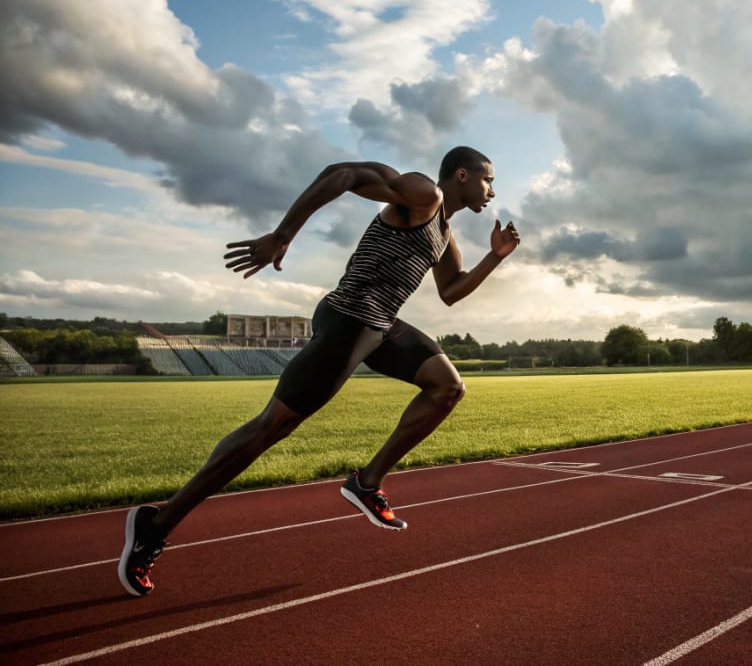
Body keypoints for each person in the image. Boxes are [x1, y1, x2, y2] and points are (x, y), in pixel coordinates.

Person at [118, 146, 520, 597]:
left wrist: (496, 257)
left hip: (381, 325)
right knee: (273, 426)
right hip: (349, 319)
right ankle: (156, 524)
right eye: (489, 179)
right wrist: (282, 234)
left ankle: (366, 484)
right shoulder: (423, 193)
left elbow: (451, 291)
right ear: (462, 175)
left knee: (447, 387)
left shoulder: (443, 234)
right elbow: (344, 173)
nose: (492, 190)